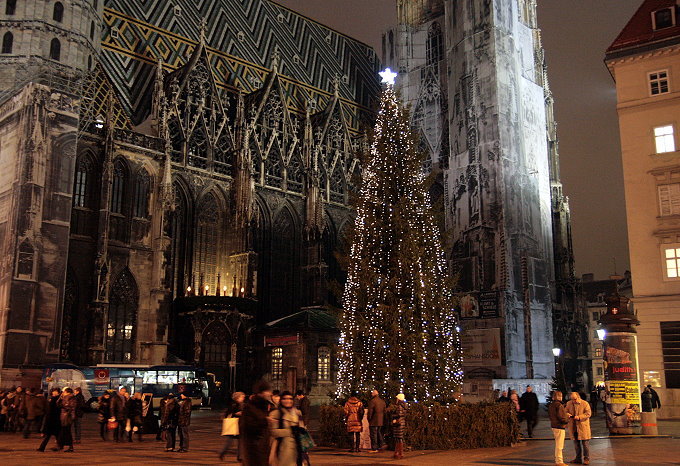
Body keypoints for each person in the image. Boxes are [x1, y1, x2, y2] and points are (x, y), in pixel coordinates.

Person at [239, 380, 273, 466]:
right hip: (253, 448)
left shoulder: (263, 406)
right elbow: (246, 427)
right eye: (267, 391)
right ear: (260, 393)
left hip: (262, 447)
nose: (270, 393)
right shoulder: (250, 407)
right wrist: (265, 421)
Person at [270, 391, 305, 466]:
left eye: (290, 399)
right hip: (282, 448)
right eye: (284, 399)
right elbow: (273, 431)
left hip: (297, 448)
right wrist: (290, 431)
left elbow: (302, 427)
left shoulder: (298, 412)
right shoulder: (276, 413)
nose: (287, 401)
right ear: (281, 400)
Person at [566, 391, 592, 465]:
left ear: (578, 397)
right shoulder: (569, 403)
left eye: (574, 399)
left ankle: (586, 458)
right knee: (576, 444)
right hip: (573, 427)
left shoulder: (585, 403)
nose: (573, 401)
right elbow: (565, 411)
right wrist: (567, 414)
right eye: (572, 399)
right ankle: (578, 458)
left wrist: (579, 417)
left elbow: (588, 413)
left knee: (585, 444)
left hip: (583, 426)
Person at [219, 391, 245, 462]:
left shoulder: (243, 405)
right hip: (233, 425)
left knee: (241, 442)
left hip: (240, 425)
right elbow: (227, 414)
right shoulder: (233, 405)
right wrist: (236, 414)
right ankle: (223, 453)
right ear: (237, 398)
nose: (243, 398)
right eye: (242, 397)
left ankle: (240, 457)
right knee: (230, 442)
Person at [549, 391, 569, 466]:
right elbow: (562, 417)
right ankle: (559, 461)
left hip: (554, 425)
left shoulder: (551, 405)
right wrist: (567, 418)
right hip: (559, 426)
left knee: (558, 443)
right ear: (559, 396)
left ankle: (558, 460)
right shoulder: (559, 405)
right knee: (559, 445)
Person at [57, 387, 76, 452]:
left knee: (67, 432)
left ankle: (69, 447)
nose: (63, 393)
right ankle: (61, 445)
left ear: (68, 392)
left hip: (67, 417)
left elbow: (71, 407)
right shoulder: (64, 397)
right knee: (64, 432)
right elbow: (58, 403)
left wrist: (65, 408)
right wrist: (60, 397)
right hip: (64, 417)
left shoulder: (71, 398)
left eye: (64, 392)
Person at [391, 394, 406, 460]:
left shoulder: (399, 406)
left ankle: (400, 453)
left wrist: (394, 417)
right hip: (402, 423)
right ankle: (396, 452)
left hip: (398, 423)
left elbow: (399, 414)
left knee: (399, 439)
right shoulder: (404, 406)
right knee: (398, 438)